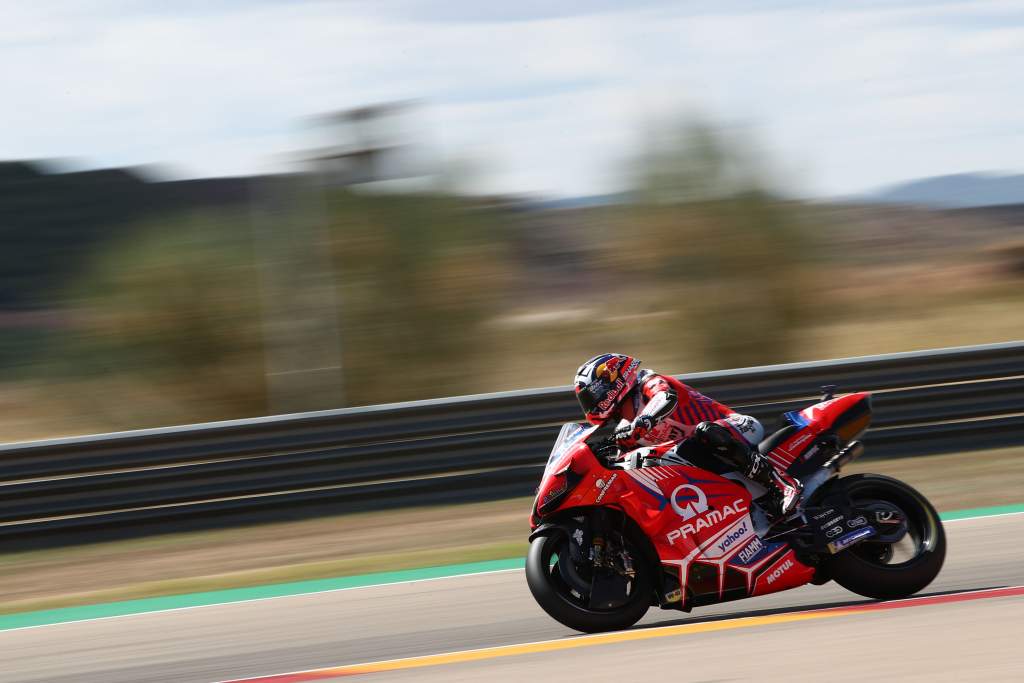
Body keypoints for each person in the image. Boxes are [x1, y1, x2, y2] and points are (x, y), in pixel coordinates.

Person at [573, 352, 801, 518]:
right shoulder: (623, 426)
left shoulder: (647, 382)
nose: (591, 404)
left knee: (705, 432)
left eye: (591, 395)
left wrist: (645, 420)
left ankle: (783, 484)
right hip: (700, 457)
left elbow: (665, 398)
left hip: (736, 428)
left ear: (611, 381)